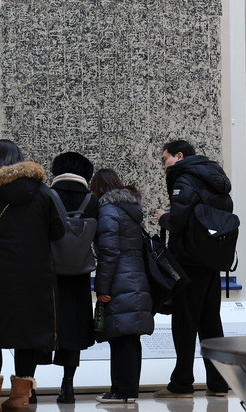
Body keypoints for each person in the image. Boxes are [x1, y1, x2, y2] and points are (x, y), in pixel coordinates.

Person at [0, 139, 65, 412]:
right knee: (28, 333)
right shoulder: (42, 193)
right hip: (35, 277)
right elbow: (58, 231)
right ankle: (20, 399)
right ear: (19, 160)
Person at [152, 140, 231, 399]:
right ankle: (218, 383)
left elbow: (178, 221)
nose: (164, 166)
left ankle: (182, 383)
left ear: (179, 155)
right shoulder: (213, 178)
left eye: (165, 159)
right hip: (211, 259)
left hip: (188, 261)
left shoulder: (184, 179)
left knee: (184, 323)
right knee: (211, 323)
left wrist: (162, 216)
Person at [90, 168, 154, 405]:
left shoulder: (108, 211)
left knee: (121, 337)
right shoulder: (130, 210)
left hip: (119, 280)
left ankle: (121, 391)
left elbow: (109, 252)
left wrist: (102, 286)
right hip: (135, 278)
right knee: (130, 337)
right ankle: (127, 390)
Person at [49, 151, 99, 403]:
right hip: (78, 276)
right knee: (73, 329)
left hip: (47, 276)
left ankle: (29, 387)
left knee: (42, 327)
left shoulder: (46, 197)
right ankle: (67, 385)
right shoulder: (92, 203)